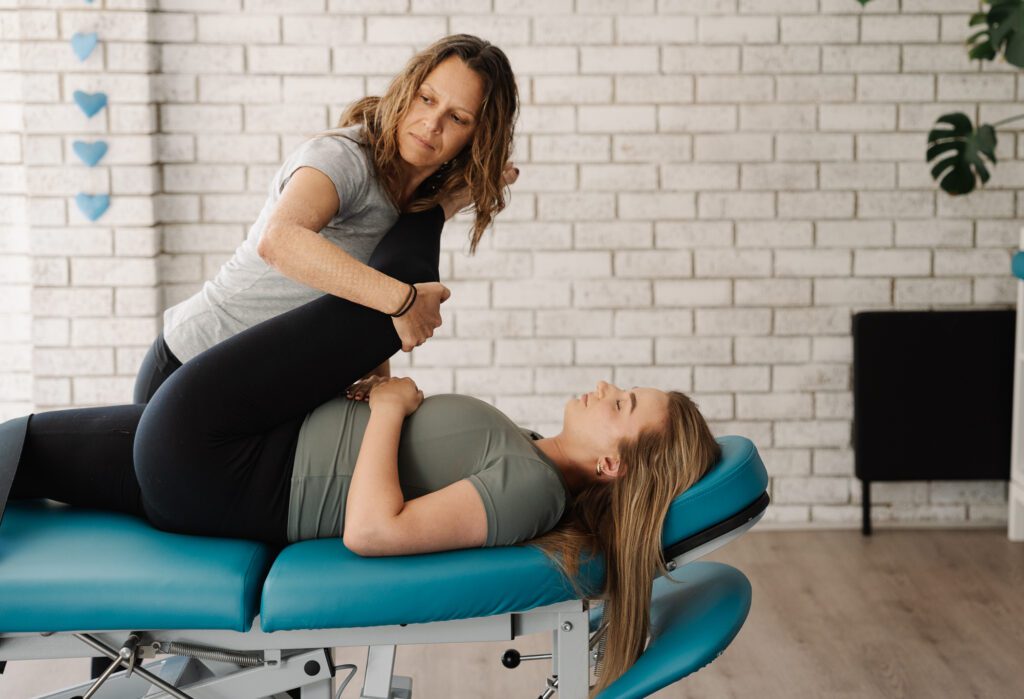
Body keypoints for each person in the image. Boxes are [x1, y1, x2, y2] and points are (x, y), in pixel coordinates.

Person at [0, 203, 720, 695]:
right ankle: (432, 191)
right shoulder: (529, 455)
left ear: (612, 465)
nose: (605, 386)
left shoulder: (533, 489)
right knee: (24, 450)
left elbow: (374, 530)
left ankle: (435, 190)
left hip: (225, 463)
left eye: (622, 403)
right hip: (234, 454)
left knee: (385, 302)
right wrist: (380, 400)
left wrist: (387, 405)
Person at [133, 33, 521, 405]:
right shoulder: (343, 157)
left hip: (254, 384)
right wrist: (404, 302)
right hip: (187, 365)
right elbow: (280, 240)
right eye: (426, 98)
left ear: (477, 138)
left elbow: (354, 287)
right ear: (407, 90)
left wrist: (375, 374)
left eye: (457, 117)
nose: (432, 123)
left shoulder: (412, 201)